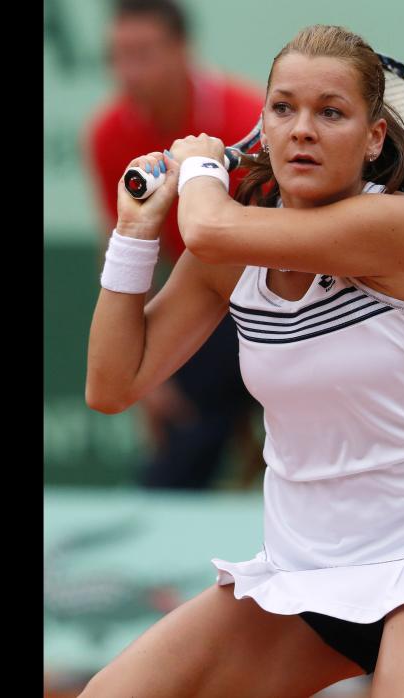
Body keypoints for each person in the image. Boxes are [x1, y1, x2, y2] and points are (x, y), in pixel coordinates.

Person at [84, 24, 404, 697]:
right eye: (284, 108)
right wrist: (133, 233)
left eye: (331, 112)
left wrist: (205, 168)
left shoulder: (401, 228)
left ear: (373, 137)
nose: (303, 128)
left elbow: (209, 225)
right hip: (307, 573)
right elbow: (112, 385)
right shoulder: (232, 256)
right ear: (263, 124)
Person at [85, 0, 264, 489]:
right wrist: (150, 376)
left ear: (183, 51)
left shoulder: (245, 115)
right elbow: (127, 248)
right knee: (177, 412)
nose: (129, 71)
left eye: (143, 54)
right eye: (119, 56)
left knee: (205, 390)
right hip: (200, 300)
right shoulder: (105, 136)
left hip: (278, 298)